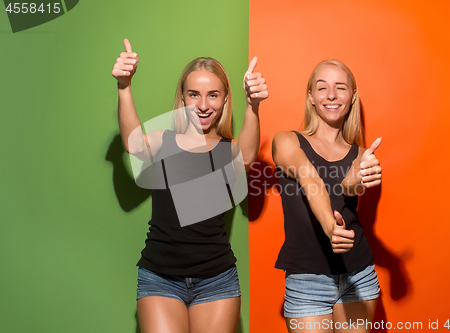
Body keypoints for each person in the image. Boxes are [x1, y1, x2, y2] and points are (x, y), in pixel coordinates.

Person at [111, 38, 268, 333]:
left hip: (217, 279)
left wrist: (253, 105)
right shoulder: (163, 141)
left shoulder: (228, 149)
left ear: (224, 100)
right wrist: (124, 86)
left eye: (213, 95)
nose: (203, 105)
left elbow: (247, 156)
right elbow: (134, 146)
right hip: (160, 277)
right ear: (182, 98)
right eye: (194, 94)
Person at [272, 59, 382, 332]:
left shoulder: (359, 153)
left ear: (352, 96)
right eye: (322, 88)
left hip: (359, 275)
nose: (331, 95)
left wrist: (356, 180)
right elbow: (310, 178)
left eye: (340, 87)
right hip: (307, 279)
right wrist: (331, 227)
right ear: (311, 96)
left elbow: (347, 189)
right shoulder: (287, 141)